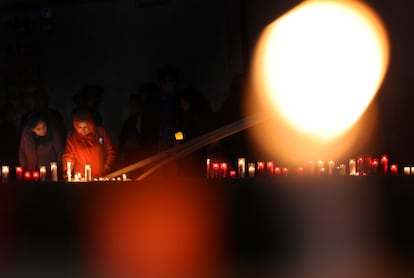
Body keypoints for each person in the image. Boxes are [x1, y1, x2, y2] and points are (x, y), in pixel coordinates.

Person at [62, 109, 117, 179]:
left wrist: (106, 168)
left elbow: (111, 151)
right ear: (75, 126)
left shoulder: (101, 133)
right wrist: (67, 170)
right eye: (80, 127)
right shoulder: (73, 138)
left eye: (85, 127)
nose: (83, 130)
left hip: (101, 177)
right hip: (82, 178)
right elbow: (69, 156)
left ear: (91, 124)